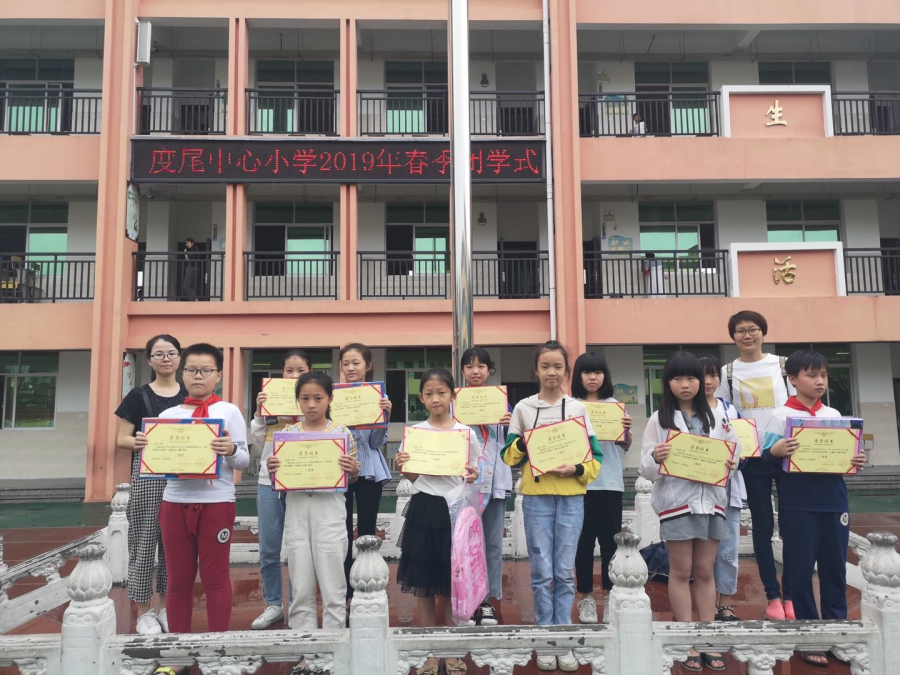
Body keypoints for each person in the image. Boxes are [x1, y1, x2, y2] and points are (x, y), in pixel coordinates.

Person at [134, 344, 248, 665]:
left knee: (215, 579)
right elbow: (156, 462)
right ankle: (178, 656)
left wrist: (230, 450)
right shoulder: (167, 417)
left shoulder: (229, 412)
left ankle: (217, 653)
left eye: (206, 370)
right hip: (174, 503)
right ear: (182, 374)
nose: (198, 376)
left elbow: (243, 461)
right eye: (192, 370)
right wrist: (146, 448)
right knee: (178, 581)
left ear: (218, 375)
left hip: (216, 504)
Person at [502, 341, 603, 673]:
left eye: (558, 366)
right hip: (536, 497)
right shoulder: (523, 408)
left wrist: (575, 468)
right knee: (542, 572)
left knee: (564, 571)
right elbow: (508, 456)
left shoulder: (577, 409)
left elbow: (595, 458)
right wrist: (526, 441)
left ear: (566, 371)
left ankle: (565, 636)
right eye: (545, 366)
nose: (551, 372)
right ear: (536, 370)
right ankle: (546, 636)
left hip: (572, 497)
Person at [762, 350, 866, 667]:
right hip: (798, 503)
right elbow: (764, 461)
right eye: (811, 375)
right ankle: (809, 635)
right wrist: (775, 451)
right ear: (793, 379)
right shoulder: (780, 416)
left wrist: (856, 460)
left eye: (823, 374)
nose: (820, 381)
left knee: (835, 568)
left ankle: (837, 632)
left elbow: (846, 457)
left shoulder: (834, 415)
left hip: (835, 501)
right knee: (800, 569)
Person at [640, 351, 738, 673]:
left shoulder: (717, 417)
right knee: (681, 572)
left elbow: (734, 453)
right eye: (678, 378)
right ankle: (687, 640)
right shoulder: (659, 419)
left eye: (692, 377)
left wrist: (731, 462)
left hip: (712, 504)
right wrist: (656, 457)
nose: (686, 384)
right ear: (667, 382)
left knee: (706, 572)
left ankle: (706, 639)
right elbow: (645, 469)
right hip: (678, 505)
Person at [265, 372, 361, 675]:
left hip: (329, 510)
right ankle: (306, 653)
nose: (311, 404)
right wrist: (273, 468)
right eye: (305, 398)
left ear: (330, 399)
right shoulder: (288, 433)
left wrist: (353, 469)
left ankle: (332, 651)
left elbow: (353, 476)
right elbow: (276, 475)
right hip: (296, 510)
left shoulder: (341, 432)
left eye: (318, 398)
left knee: (333, 585)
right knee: (301, 583)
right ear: (298, 400)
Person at [395, 368, 479, 675]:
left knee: (453, 581)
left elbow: (473, 473)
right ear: (421, 398)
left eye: (441, 392)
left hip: (455, 510)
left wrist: (472, 474)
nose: (435, 398)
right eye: (429, 393)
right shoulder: (416, 433)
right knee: (425, 583)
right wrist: (403, 467)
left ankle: (452, 651)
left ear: (452, 395)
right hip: (425, 508)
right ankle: (430, 652)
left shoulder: (466, 433)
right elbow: (412, 475)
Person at [714, 310, 795, 620]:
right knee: (762, 527)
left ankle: (792, 594)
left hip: (786, 453)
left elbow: (797, 408)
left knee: (791, 526)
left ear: (763, 332)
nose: (747, 335)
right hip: (752, 459)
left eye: (753, 329)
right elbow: (723, 415)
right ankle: (773, 596)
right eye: (740, 331)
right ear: (733, 337)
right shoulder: (728, 372)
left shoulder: (783, 365)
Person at [114, 334, 187, 635]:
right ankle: (143, 612)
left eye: (171, 353)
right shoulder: (138, 395)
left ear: (179, 357)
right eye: (159, 354)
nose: (166, 358)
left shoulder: (190, 396)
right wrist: (138, 441)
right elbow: (121, 438)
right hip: (148, 476)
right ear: (149, 360)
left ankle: (168, 608)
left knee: (176, 546)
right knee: (144, 543)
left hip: (183, 479)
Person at [248, 349, 312, 630]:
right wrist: (259, 412)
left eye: (301, 371)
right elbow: (259, 440)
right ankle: (273, 604)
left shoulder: (314, 401)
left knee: (300, 547)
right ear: (282, 373)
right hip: (269, 481)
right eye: (289, 370)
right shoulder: (271, 398)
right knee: (269, 549)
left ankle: (298, 605)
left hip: (301, 481)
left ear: (309, 372)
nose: (294, 376)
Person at [571, 352, 632, 624]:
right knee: (582, 545)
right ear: (578, 376)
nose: (592, 377)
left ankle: (609, 597)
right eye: (587, 372)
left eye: (597, 372)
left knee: (610, 545)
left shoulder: (615, 407)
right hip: (579, 484)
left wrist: (626, 431)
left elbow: (625, 444)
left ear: (605, 376)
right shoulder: (571, 407)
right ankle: (585, 597)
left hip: (610, 484)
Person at [458, 346, 512, 627]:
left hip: (495, 482)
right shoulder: (455, 403)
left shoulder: (502, 403)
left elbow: (514, 443)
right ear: (462, 371)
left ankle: (488, 601)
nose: (475, 371)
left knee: (491, 544)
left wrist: (510, 425)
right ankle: (467, 600)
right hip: (464, 483)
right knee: (463, 544)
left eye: (481, 366)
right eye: (469, 366)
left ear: (489, 370)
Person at [339, 343, 392, 597]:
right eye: (345, 363)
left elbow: (375, 443)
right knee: (342, 531)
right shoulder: (334, 397)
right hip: (341, 469)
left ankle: (368, 584)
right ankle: (346, 590)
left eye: (356, 363)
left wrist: (384, 417)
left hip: (369, 470)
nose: (350, 368)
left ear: (368, 366)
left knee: (367, 530)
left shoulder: (377, 396)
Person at [699, 355, 746, 622]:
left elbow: (743, 448)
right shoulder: (685, 411)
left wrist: (739, 459)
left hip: (728, 488)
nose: (708, 381)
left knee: (728, 549)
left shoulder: (731, 411)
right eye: (702, 375)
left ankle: (725, 603)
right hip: (697, 489)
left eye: (713, 375)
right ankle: (703, 603)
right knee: (699, 550)